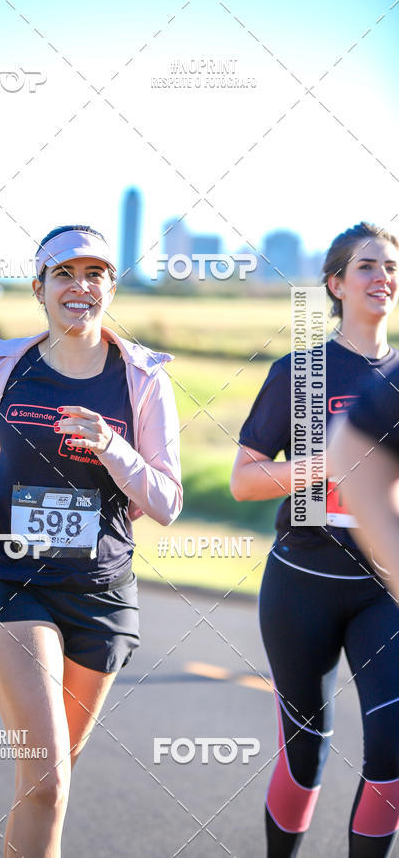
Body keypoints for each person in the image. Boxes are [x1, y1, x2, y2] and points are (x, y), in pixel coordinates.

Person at [0, 224, 182, 858]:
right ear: (40, 288)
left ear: (110, 286)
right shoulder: (4, 367)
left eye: (96, 274)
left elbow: (166, 500)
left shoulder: (142, 381)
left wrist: (113, 447)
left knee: (50, 784)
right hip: (8, 579)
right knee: (46, 778)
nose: (80, 286)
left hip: (101, 591)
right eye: (64, 274)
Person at [230, 221, 399, 856]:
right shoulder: (300, 373)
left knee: (391, 747)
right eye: (367, 266)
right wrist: (323, 465)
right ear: (335, 284)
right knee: (307, 750)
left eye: (391, 266)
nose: (383, 276)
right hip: (302, 581)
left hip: (385, 588)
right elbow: (244, 481)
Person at [328, 363, 399, 602]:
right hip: (310, 567)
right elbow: (242, 485)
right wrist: (333, 464)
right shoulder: (299, 370)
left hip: (380, 590)